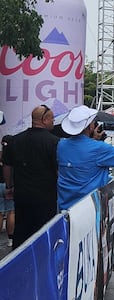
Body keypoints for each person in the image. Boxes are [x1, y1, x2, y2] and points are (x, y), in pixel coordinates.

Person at [56, 106, 114, 210]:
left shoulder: (61, 145)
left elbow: (81, 153)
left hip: (65, 206)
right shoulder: (98, 148)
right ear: (90, 126)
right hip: (90, 208)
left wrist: (94, 139)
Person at [4, 105, 58, 248]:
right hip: (46, 197)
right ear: (44, 120)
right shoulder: (54, 142)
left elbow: (7, 166)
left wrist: (9, 187)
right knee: (44, 233)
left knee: (21, 233)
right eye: (52, 118)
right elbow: (58, 169)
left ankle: (19, 258)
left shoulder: (15, 140)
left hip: (22, 195)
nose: (53, 121)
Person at [0, 135, 15, 247]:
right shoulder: (12, 156)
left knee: (0, 212)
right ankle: (10, 239)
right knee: (11, 212)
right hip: (8, 185)